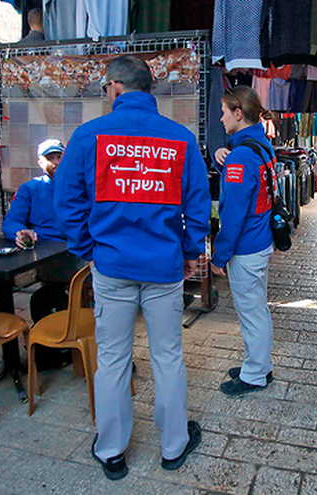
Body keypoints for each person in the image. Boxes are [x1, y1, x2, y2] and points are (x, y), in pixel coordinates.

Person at [54, 55, 209, 481]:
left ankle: (112, 451)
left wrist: (88, 247)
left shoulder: (89, 136)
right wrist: (191, 248)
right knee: (168, 357)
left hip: (112, 266)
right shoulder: (179, 138)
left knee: (114, 359)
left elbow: (66, 204)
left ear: (115, 87)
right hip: (163, 266)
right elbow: (197, 204)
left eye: (105, 89)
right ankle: (174, 445)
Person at [211, 86, 276, 397]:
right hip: (260, 241)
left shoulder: (241, 157)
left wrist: (219, 256)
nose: (221, 118)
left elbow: (233, 215)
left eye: (224, 112)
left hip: (246, 246)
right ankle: (258, 364)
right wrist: (223, 154)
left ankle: (255, 375)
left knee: (252, 313)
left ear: (239, 114)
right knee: (256, 309)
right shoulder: (260, 146)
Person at [2, 138, 85, 369]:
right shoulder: (30, 189)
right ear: (41, 162)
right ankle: (52, 349)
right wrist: (19, 232)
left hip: (79, 249)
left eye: (60, 157)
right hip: (49, 253)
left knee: (63, 293)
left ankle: (69, 343)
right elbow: (11, 222)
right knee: (48, 296)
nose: (57, 162)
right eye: (51, 158)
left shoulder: (81, 187)